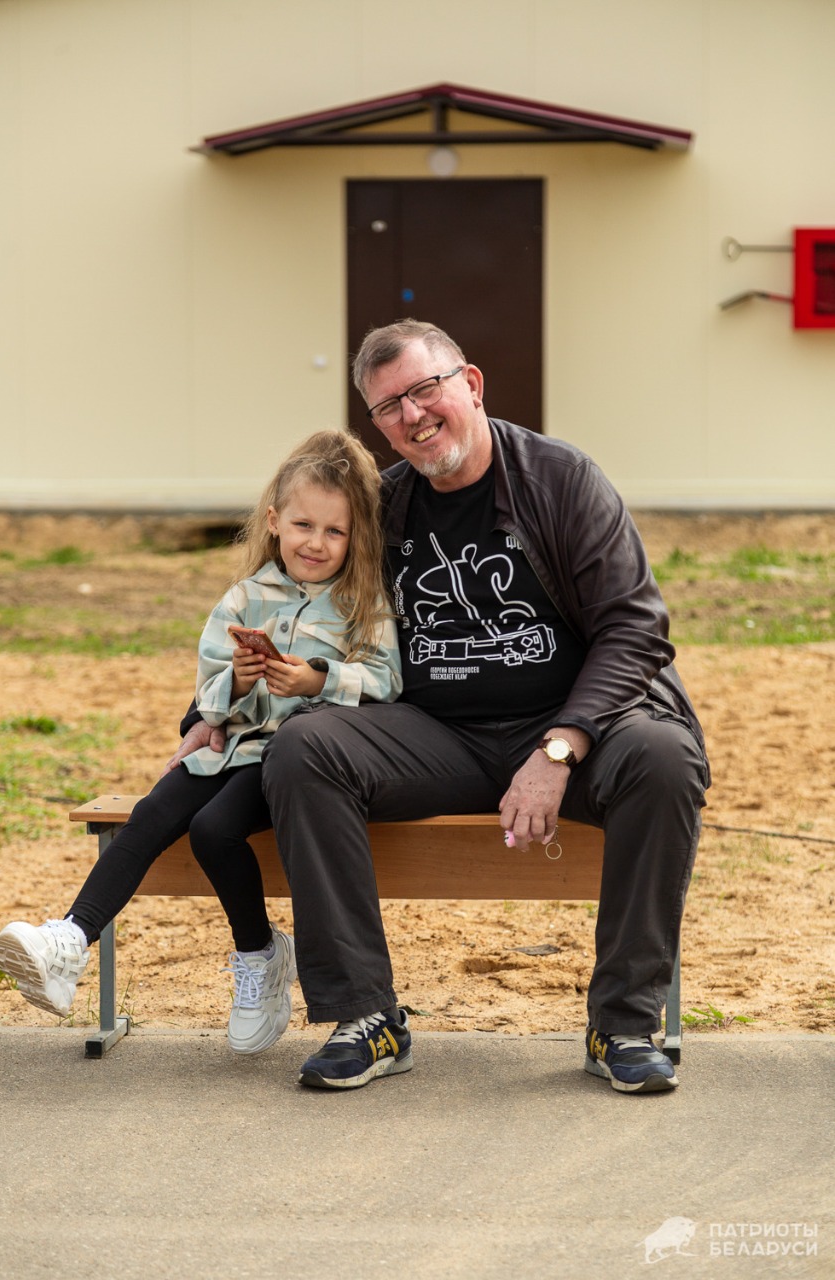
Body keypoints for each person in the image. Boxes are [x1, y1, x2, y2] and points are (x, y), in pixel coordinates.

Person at [168, 319, 710, 1095]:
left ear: (471, 384)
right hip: (434, 735)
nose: (413, 415)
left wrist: (559, 748)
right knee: (307, 748)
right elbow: (288, 597)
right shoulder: (383, 507)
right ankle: (366, 1018)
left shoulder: (560, 480)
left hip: (569, 726)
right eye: (388, 406)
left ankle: (621, 1025)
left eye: (425, 389)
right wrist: (207, 710)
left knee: (663, 758)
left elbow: (635, 628)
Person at [0, 429, 402, 1056]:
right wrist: (236, 682)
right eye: (303, 525)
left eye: (334, 531)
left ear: (356, 537)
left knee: (213, 830)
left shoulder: (361, 601)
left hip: (292, 762)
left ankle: (259, 952)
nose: (316, 543)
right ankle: (70, 939)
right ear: (274, 522)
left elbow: (387, 680)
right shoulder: (243, 597)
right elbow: (209, 697)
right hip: (229, 747)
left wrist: (319, 678)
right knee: (152, 810)